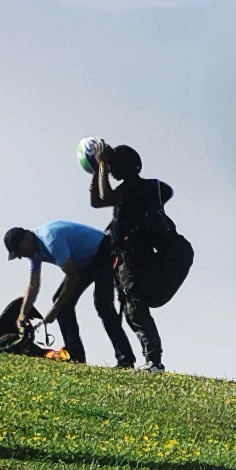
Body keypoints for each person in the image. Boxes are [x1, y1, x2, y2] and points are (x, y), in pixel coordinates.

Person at [78, 139, 176, 372]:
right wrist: (96, 173)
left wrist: (100, 168)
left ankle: (154, 361)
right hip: (124, 257)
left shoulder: (138, 189)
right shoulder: (129, 189)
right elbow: (96, 201)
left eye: (113, 166)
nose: (110, 171)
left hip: (134, 257)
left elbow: (107, 197)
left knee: (135, 306)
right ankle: (142, 359)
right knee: (131, 308)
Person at [0, 220, 116, 362]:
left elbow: (73, 277)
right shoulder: (33, 253)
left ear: (27, 239)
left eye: (19, 250)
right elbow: (33, 285)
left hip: (103, 251)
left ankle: (125, 359)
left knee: (103, 305)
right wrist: (22, 315)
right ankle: (75, 357)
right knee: (63, 306)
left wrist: (54, 310)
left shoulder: (51, 240)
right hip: (82, 263)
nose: (20, 256)